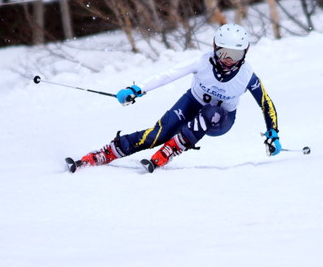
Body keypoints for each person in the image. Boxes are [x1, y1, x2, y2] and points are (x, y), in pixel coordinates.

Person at [67, 24, 281, 173]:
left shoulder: (246, 75)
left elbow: (266, 103)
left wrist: (273, 133)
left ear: (245, 53)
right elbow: (168, 75)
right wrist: (137, 89)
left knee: (211, 113)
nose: (228, 61)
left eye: (235, 55)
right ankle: (107, 152)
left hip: (221, 120)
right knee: (157, 134)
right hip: (192, 102)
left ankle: (172, 149)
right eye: (224, 53)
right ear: (215, 48)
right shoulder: (202, 62)